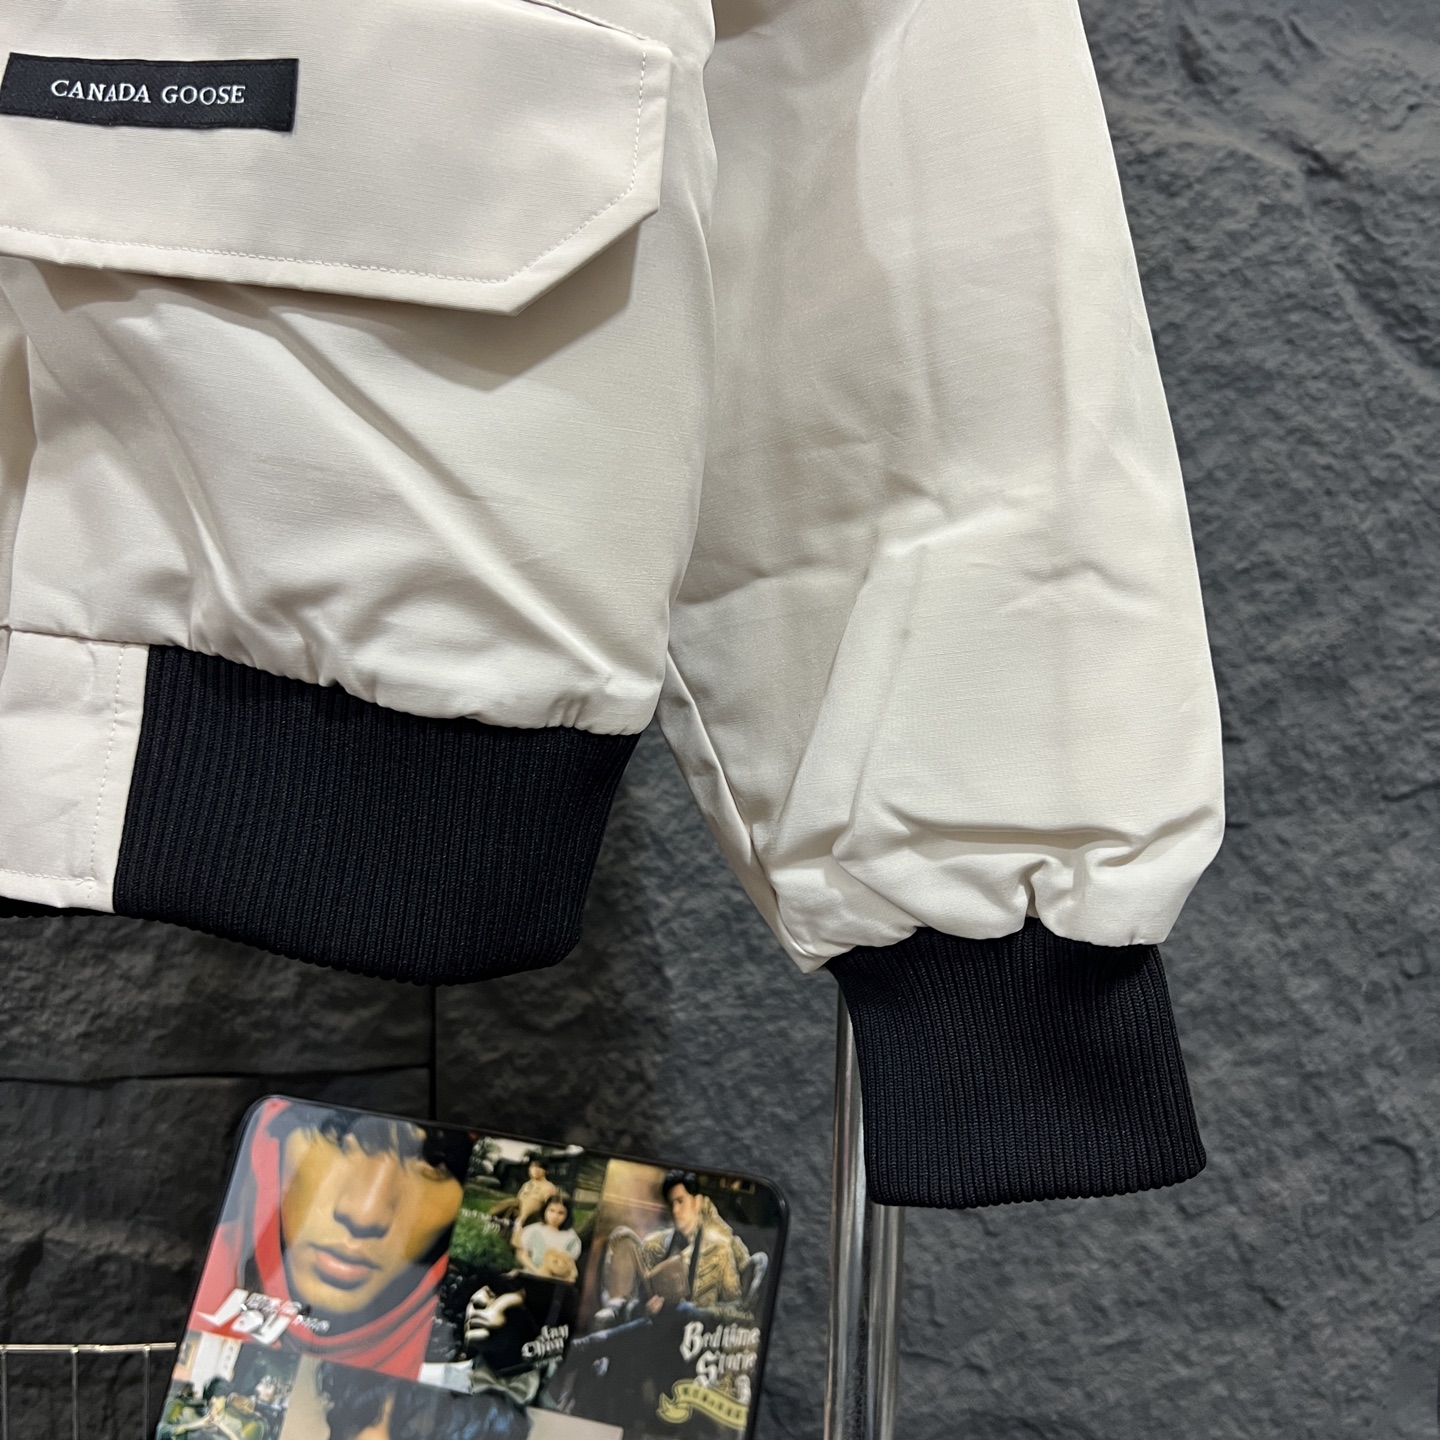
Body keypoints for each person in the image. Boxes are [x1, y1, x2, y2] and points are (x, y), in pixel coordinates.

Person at [191, 1099, 473, 1377]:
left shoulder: (463, 1359)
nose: (365, 1214)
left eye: (434, 1159)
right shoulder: (189, 1285)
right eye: (337, 1133)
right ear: (269, 1149)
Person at [516, 1194, 581, 1284]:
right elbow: (524, 1256)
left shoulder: (571, 1238)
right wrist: (537, 1272)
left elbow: (570, 1264)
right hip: (532, 1276)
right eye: (551, 1211)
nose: (555, 1216)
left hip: (557, 1282)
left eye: (560, 1213)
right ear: (545, 1210)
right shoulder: (533, 1230)